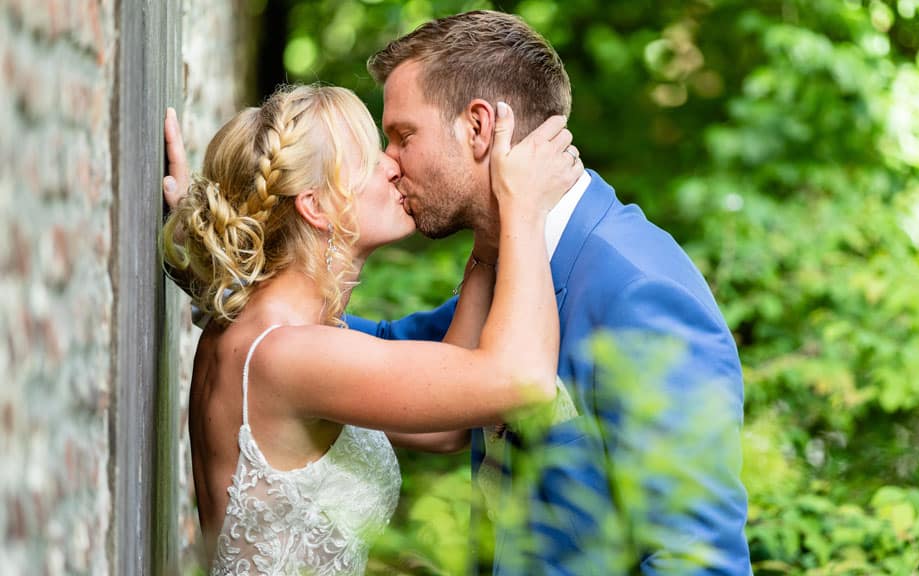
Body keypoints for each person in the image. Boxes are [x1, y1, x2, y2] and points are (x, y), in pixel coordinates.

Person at [350, 10, 752, 575]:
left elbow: (696, 561)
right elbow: (376, 353)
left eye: (402, 136)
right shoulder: (512, 267)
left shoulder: (640, 294)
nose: (388, 164)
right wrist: (228, 250)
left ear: (479, 127)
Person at [160, 84, 582, 575]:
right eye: (368, 159)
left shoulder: (253, 326)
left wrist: (488, 240)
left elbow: (447, 424)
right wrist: (523, 208)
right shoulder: (290, 355)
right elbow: (523, 381)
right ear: (315, 207)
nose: (392, 166)